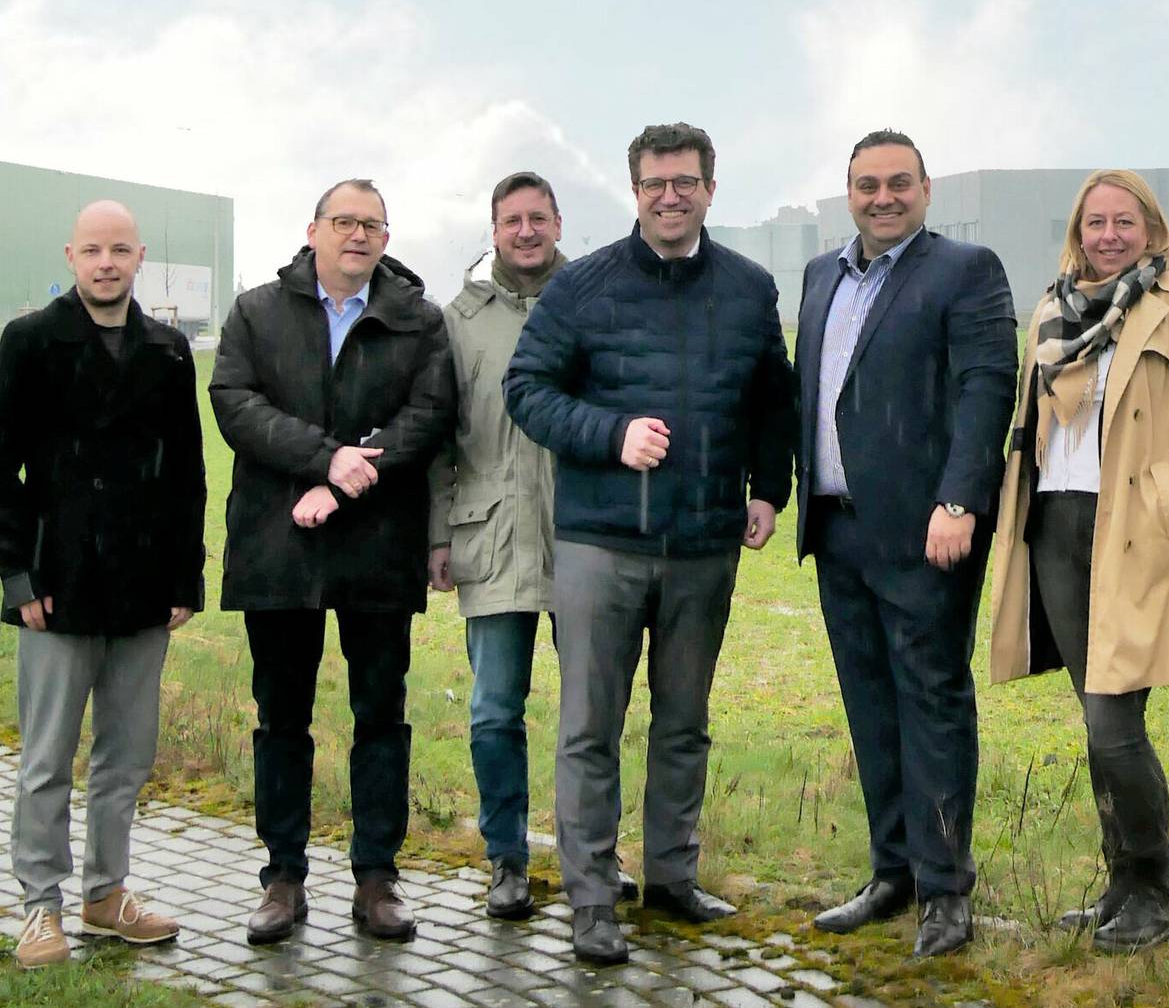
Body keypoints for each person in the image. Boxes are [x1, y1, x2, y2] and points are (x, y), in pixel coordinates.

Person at [506, 122, 795, 966]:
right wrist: (610, 432)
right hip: (602, 542)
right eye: (655, 183)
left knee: (684, 723)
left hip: (705, 542)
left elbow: (770, 398)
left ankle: (671, 874)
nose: (671, 196)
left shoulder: (748, 288)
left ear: (711, 187)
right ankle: (592, 896)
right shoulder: (584, 287)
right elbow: (526, 386)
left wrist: (768, 488)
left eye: (686, 181)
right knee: (590, 725)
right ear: (634, 191)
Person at [986, 169, 1169, 953]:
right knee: (1096, 718)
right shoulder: (1051, 307)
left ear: (1151, 228)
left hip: (1133, 526)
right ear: (1078, 230)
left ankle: (1153, 888)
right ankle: (1119, 886)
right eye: (1094, 221)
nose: (1107, 234)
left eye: (1123, 221)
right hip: (1057, 525)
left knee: (1114, 718)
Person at [209, 179, 455, 945]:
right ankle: (283, 877)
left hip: (379, 545)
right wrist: (325, 459)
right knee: (282, 716)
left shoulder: (419, 319)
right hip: (278, 543)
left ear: (387, 237)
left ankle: (377, 877)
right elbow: (234, 401)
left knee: (380, 714)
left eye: (372, 224)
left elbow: (431, 413)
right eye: (344, 221)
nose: (358, 234)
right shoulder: (257, 310)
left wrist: (352, 476)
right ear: (312, 229)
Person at [794, 130, 1016, 958]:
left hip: (928, 532)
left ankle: (946, 890)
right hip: (838, 527)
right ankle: (893, 872)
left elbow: (986, 385)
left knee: (931, 701)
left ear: (927, 189)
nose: (881, 197)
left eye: (897, 183)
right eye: (866, 185)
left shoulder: (964, 270)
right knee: (869, 705)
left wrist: (959, 498)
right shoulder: (822, 275)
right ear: (847, 192)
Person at [0, 201, 203, 969]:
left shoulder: (169, 351)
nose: (106, 261)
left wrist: (185, 577)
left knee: (125, 755)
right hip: (56, 586)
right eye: (93, 249)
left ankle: (106, 894)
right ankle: (40, 906)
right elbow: (1, 472)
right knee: (48, 756)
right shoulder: (28, 343)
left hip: (145, 587)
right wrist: (18, 573)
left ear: (139, 256)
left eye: (120, 248)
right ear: (71, 255)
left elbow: (187, 474)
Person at [427, 172, 567, 920]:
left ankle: (588, 855)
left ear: (556, 222)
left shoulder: (592, 299)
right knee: (491, 711)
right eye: (511, 220)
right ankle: (506, 859)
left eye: (536, 217)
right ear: (493, 229)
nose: (524, 231)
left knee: (589, 711)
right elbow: (438, 435)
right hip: (490, 534)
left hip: (580, 536)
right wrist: (438, 533)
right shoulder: (459, 319)